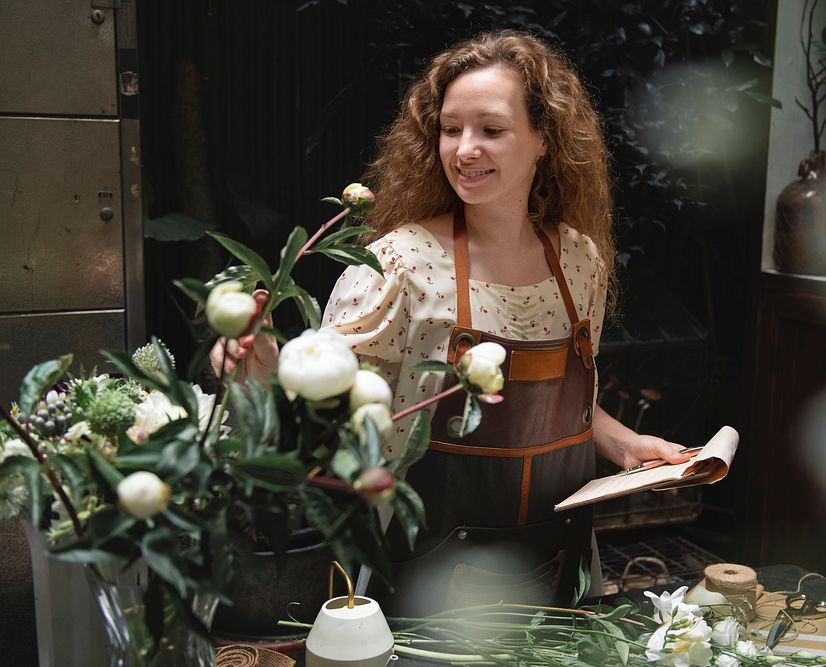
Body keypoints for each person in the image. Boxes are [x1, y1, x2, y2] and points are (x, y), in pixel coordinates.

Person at [213, 30, 691, 615]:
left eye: (491, 129)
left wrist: (631, 445)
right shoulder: (400, 263)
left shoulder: (577, 259)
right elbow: (326, 419)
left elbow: (568, 407)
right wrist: (264, 373)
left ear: (544, 139)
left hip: (561, 569)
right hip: (429, 582)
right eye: (450, 128)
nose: (464, 149)